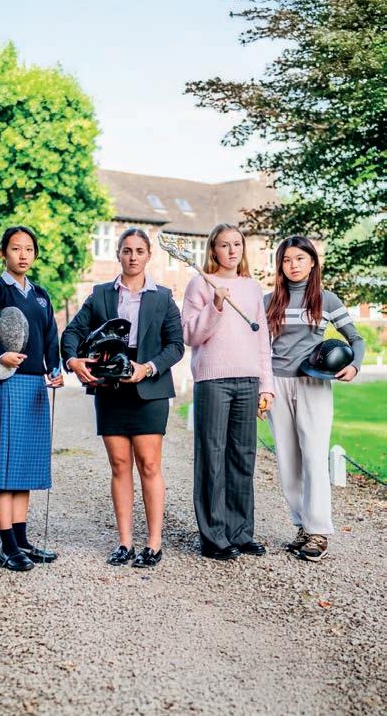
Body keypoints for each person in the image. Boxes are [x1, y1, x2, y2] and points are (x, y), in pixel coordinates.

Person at [61, 227, 184, 568]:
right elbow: (72, 331)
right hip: (110, 389)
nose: (132, 257)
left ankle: (154, 544)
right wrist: (72, 361)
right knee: (119, 465)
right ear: (118, 254)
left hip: (149, 390)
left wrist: (147, 368)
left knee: (149, 465)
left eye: (139, 251)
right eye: (127, 250)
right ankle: (125, 543)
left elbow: (176, 345)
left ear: (148, 256)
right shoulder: (100, 294)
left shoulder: (163, 297)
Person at [0, 226, 63, 572]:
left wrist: (55, 368)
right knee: (4, 468)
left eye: (29, 249)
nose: (23, 254)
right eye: (16, 248)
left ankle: (21, 541)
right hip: (6, 384)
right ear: (3, 252)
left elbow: (51, 335)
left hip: (35, 386)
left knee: (24, 467)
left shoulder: (41, 295)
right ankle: (7, 547)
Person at [265, 235, 364, 561]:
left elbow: (356, 339)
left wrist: (354, 365)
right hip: (277, 384)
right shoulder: (268, 301)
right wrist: (261, 388)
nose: (293, 265)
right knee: (288, 462)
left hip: (313, 384)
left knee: (314, 457)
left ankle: (319, 531)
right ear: (280, 265)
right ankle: (303, 527)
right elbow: (257, 348)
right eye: (286, 260)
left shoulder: (326, 299)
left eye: (300, 259)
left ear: (312, 262)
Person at [182, 223, 274, 561]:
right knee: (212, 456)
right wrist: (216, 306)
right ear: (213, 249)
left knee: (243, 456)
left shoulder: (251, 287)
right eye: (224, 244)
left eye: (237, 244)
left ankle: (240, 532)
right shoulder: (200, 283)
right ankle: (213, 537)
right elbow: (190, 335)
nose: (232, 250)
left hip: (248, 380)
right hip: (213, 381)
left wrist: (266, 385)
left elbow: (262, 339)